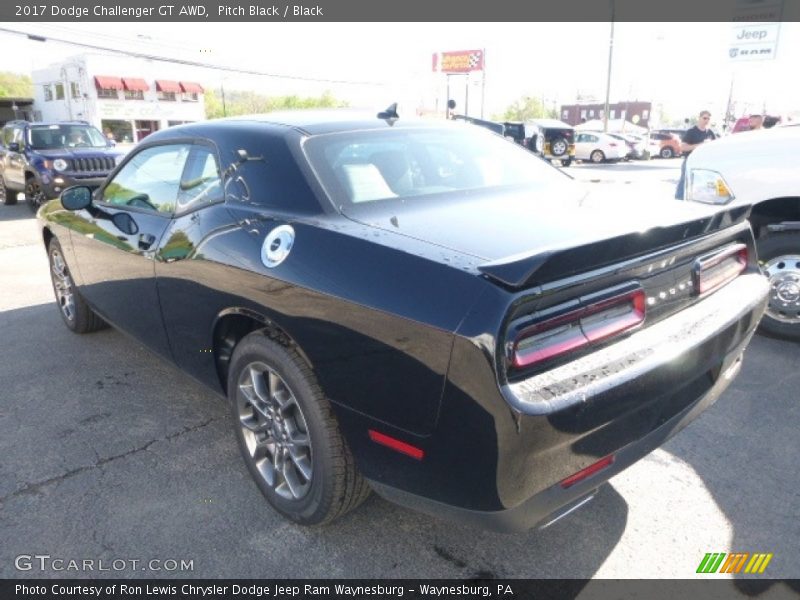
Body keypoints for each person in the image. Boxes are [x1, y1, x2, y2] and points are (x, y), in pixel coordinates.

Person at [675, 110, 716, 199]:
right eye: (704, 118)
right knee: (684, 182)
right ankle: (679, 201)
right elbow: (683, 147)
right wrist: (699, 145)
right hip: (690, 161)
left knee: (701, 185)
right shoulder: (691, 131)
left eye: (708, 119)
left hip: (705, 163)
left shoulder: (710, 133)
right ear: (699, 118)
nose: (706, 120)